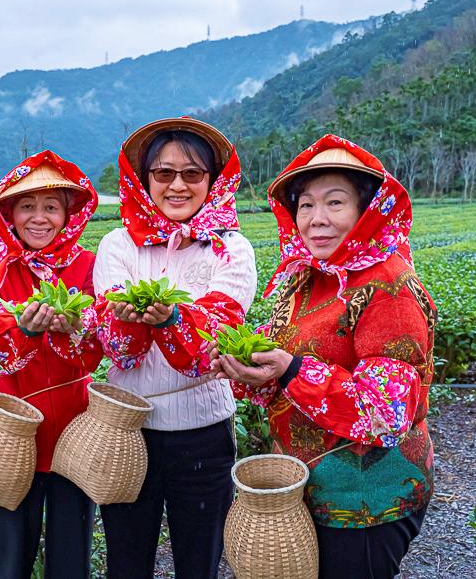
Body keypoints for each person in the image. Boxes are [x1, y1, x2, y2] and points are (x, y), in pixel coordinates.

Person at [211, 134, 437, 579]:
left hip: (367, 498)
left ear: (366, 210)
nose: (317, 219)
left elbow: (385, 413)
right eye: (306, 205)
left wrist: (291, 369)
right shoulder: (306, 278)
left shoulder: (387, 286)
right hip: (310, 487)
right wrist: (250, 368)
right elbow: (278, 355)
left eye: (335, 203)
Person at [92, 117, 257, 578]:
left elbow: (216, 337)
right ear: (144, 180)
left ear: (213, 180)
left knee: (199, 561)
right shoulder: (117, 244)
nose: (177, 185)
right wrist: (139, 321)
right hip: (128, 430)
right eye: (163, 173)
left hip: (204, 430)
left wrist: (172, 318)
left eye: (192, 174)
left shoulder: (232, 248)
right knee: (126, 561)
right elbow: (119, 348)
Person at [0, 150, 102, 579]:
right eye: (27, 206)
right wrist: (22, 326)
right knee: (6, 557)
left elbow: (100, 342)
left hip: (73, 430)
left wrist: (77, 326)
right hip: (9, 430)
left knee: (70, 555)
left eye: (51, 207)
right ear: (8, 213)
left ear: (68, 214)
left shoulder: (87, 266)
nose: (39, 218)